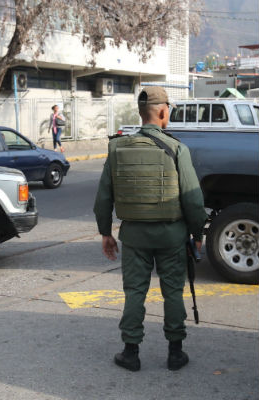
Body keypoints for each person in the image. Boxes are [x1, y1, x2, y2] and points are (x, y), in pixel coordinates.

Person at [93, 86, 207, 372]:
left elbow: (103, 197)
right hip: (171, 236)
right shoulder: (178, 148)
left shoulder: (117, 148)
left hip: (134, 236)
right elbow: (193, 199)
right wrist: (198, 234)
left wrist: (106, 233)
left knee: (134, 293)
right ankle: (175, 353)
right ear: (162, 111)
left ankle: (130, 353)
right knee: (172, 292)